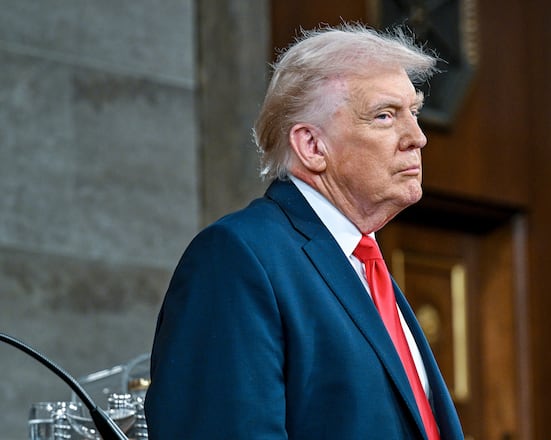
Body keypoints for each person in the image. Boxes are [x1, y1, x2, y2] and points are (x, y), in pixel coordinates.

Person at [144, 23, 465, 439]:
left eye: (414, 113)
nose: (417, 137)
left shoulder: (362, 266)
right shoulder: (238, 258)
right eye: (385, 116)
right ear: (312, 146)